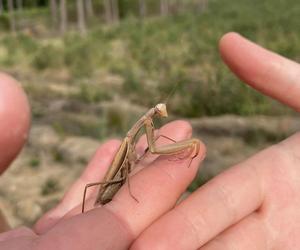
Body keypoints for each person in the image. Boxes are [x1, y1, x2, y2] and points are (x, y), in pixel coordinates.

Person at [0, 32, 300, 249]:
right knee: (95, 186)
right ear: (151, 113)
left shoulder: (142, 132)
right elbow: (152, 150)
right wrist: (128, 186)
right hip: (108, 189)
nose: (161, 113)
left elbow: (150, 148)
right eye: (159, 111)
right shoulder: (137, 134)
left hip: (121, 178)